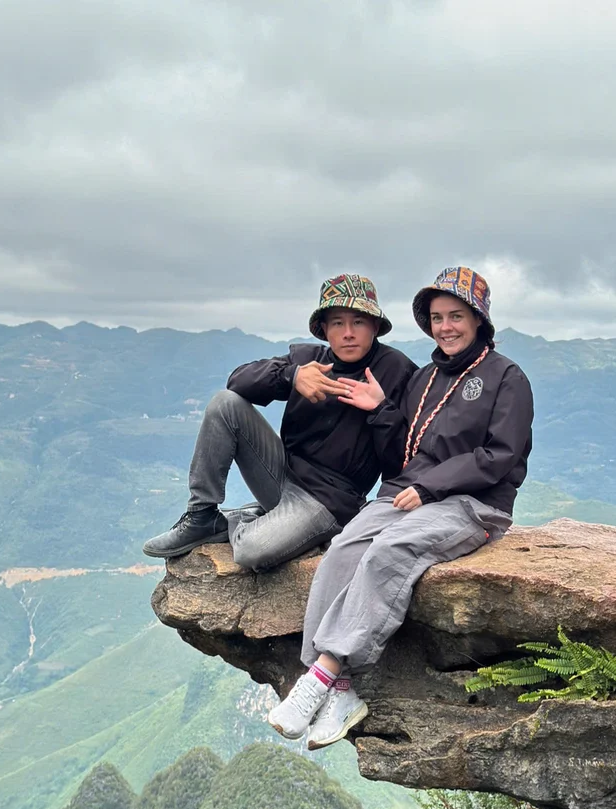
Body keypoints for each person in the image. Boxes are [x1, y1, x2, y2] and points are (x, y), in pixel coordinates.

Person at [268, 266, 534, 749]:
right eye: (436, 318)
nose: (445, 327)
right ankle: (343, 693)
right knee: (345, 548)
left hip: (474, 504)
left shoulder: (506, 378)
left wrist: (432, 486)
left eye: (456, 316)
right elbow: (403, 454)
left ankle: (320, 676)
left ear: (478, 319)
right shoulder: (425, 378)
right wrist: (380, 410)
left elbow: (501, 455)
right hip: (407, 492)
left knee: (391, 549)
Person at [143, 274, 417, 572]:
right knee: (225, 404)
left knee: (250, 551)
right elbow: (237, 381)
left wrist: (380, 410)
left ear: (375, 326)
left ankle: (244, 519)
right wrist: (292, 376)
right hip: (280, 471)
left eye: (359, 322)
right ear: (324, 329)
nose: (348, 333)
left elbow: (401, 463)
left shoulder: (397, 371)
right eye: (338, 323)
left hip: (329, 500)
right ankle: (201, 515)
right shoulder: (308, 359)